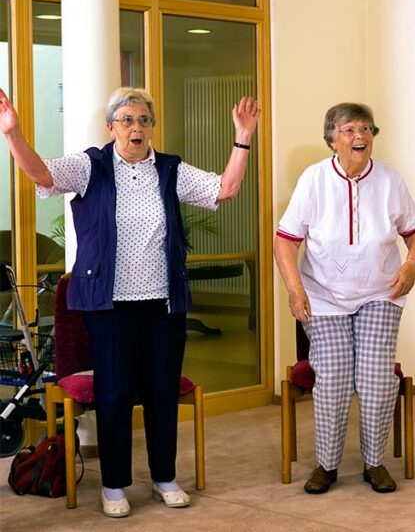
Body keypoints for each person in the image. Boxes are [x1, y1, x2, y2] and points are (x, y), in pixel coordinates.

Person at [0, 86, 259, 517]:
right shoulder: (91, 166)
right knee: (114, 392)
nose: (135, 127)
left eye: (143, 120)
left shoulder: (170, 170)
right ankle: (116, 484)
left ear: (152, 127)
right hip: (109, 304)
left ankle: (164, 477)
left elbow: (224, 190)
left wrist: (243, 137)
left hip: (163, 303)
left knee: (161, 390)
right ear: (111, 127)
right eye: (126, 120)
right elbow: (42, 175)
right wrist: (13, 134)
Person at [274, 102, 415, 496]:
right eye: (349, 129)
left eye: (366, 129)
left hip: (380, 292)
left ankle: (374, 463)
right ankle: (326, 465)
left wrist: (411, 266)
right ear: (332, 139)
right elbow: (286, 240)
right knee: (335, 379)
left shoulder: (391, 181)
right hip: (323, 297)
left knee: (377, 379)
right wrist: (295, 290)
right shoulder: (314, 180)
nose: (359, 136)